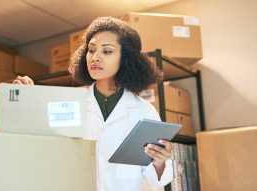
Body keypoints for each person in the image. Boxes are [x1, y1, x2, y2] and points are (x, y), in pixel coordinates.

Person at [13, 16, 173, 191]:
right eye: (91, 50)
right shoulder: (69, 103)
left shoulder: (144, 111)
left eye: (107, 51)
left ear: (126, 58)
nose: (95, 57)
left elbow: (157, 180)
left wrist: (160, 161)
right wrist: (24, 98)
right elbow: (38, 146)